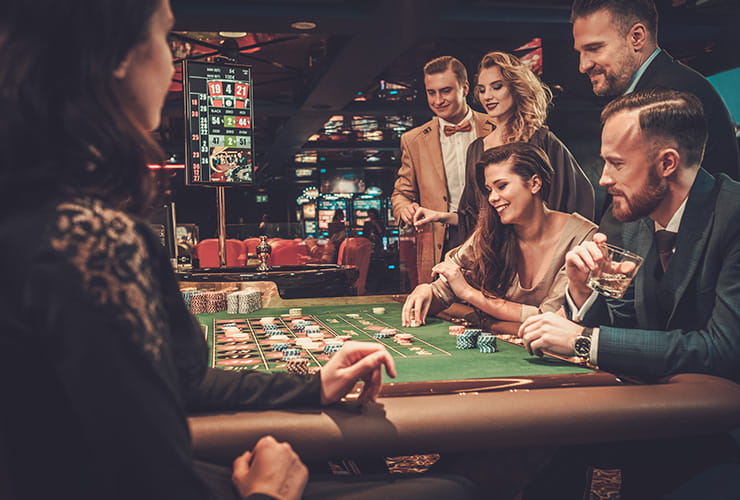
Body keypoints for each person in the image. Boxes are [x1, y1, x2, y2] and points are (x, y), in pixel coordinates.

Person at [0, 2, 476, 499]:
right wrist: (268, 493)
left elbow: (181, 383)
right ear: (119, 56)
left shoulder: (35, 214)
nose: (172, 63)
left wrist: (314, 385)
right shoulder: (93, 242)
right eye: (168, 41)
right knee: (451, 491)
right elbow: (146, 476)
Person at [518, 88, 740, 499]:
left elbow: (723, 349)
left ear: (667, 163)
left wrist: (582, 340)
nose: (603, 178)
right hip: (657, 414)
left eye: (616, 163)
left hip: (724, 437)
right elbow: (634, 325)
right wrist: (584, 293)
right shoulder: (637, 221)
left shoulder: (734, 215)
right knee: (537, 439)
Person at [402, 142, 597, 329]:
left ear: (535, 183)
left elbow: (550, 317)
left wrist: (469, 294)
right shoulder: (491, 231)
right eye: (489, 190)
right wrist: (427, 290)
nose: (493, 198)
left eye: (501, 186)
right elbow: (442, 291)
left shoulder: (582, 238)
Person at [412, 51, 595, 244]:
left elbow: (577, 200)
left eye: (497, 87)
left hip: (538, 251)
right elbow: (472, 216)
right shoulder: (476, 149)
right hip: (497, 254)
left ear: (516, 88)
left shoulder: (541, 140)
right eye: (482, 90)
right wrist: (440, 216)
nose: (487, 96)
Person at [571, 0, 740, 180]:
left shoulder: (671, 97)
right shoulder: (660, 87)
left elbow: (649, 196)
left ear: (636, 37)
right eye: (580, 52)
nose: (583, 65)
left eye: (594, 48)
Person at [391, 56, 494, 286]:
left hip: (492, 234)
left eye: (445, 91)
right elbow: (401, 193)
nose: (438, 100)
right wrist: (405, 208)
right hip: (442, 240)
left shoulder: (497, 126)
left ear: (465, 88)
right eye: (431, 92)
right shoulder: (413, 140)